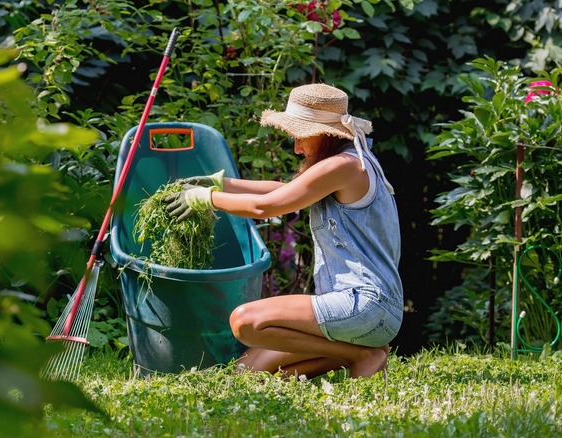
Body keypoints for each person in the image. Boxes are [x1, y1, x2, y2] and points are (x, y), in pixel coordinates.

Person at [164, 83, 403, 379]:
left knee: (245, 321)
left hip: (365, 304)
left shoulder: (345, 166)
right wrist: (219, 183)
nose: (297, 147)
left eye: (300, 137)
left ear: (325, 133)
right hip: (365, 310)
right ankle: (365, 354)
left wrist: (206, 199)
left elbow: (265, 207)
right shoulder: (347, 162)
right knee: (245, 371)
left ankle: (361, 354)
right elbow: (286, 191)